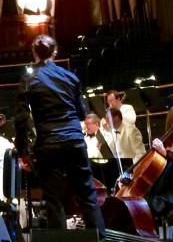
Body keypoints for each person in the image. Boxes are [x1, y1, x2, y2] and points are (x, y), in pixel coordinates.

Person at [14, 35, 106, 234]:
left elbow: (21, 119)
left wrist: (23, 151)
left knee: (53, 199)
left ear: (34, 53)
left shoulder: (29, 79)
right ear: (54, 53)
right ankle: (100, 239)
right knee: (87, 195)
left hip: (49, 143)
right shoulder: (70, 77)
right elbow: (82, 113)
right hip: (74, 141)